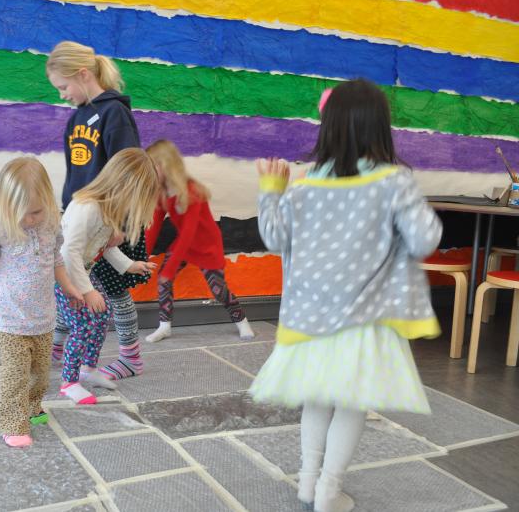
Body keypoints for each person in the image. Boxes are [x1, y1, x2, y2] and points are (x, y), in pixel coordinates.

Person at [249, 79, 442, 512]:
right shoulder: (395, 181)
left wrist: (270, 191)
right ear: (380, 126)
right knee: (352, 402)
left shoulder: (305, 183)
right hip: (366, 317)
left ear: (329, 125)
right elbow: (425, 239)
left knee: (318, 396)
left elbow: (275, 238)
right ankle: (328, 492)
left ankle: (306, 483)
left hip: (310, 316)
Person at [0, 157, 82, 448]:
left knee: (40, 373)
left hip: (43, 316)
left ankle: (33, 407)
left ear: (47, 201)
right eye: (23, 213)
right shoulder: (1, 226)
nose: (31, 219)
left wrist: (71, 288)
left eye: (36, 211)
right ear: (7, 204)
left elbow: (56, 259)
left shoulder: (50, 221)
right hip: (10, 318)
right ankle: (11, 423)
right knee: (16, 374)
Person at [46, 40, 150, 380]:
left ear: (82, 74)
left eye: (63, 86)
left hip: (110, 220)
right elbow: (76, 172)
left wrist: (118, 223)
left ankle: (130, 356)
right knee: (71, 281)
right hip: (79, 216)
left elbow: (128, 170)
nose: (61, 94)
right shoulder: (77, 117)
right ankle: (62, 345)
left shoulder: (114, 113)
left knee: (114, 290)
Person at [56, 148, 159, 403]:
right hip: (62, 277)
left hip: (82, 274)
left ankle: (88, 370)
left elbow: (107, 245)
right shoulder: (87, 208)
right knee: (81, 325)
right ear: (123, 187)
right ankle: (69, 381)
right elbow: (69, 252)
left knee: (102, 316)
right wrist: (87, 291)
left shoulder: (107, 209)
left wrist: (130, 265)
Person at [143, 139, 255, 342]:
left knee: (218, 290)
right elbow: (154, 226)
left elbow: (189, 231)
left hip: (206, 245)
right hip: (184, 245)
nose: (149, 171)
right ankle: (164, 325)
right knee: (163, 280)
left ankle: (242, 322)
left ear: (166, 165)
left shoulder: (192, 190)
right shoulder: (161, 193)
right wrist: (142, 256)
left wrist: (170, 270)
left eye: (153, 166)